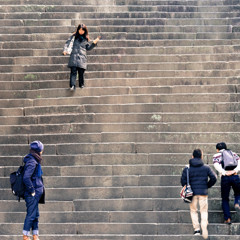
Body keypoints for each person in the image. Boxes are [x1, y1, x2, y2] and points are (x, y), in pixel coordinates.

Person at [181, 149, 217, 239]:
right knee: (203, 210)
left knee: (193, 211)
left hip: (191, 194)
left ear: (192, 156)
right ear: (201, 156)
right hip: (203, 192)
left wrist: (188, 187)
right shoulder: (206, 167)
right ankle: (204, 226)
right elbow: (214, 178)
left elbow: (183, 181)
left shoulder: (187, 168)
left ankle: (197, 230)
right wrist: (207, 185)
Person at [63, 23, 101, 90]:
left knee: (81, 72)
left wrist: (94, 43)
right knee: (73, 72)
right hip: (74, 57)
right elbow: (67, 43)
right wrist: (65, 50)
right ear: (78, 30)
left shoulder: (85, 39)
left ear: (85, 31)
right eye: (80, 30)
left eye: (83, 30)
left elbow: (88, 48)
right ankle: (72, 86)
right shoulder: (73, 37)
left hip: (82, 58)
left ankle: (81, 84)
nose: (81, 32)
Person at [213, 142, 240, 224]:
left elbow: (216, 165)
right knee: (238, 193)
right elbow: (239, 163)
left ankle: (227, 218)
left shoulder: (216, 155)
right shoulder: (233, 153)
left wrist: (224, 172)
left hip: (225, 178)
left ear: (217, 150)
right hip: (235, 176)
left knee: (225, 198)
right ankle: (237, 203)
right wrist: (235, 171)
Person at [23, 141, 45, 240]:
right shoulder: (32, 161)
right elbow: (26, 178)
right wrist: (32, 191)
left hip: (36, 193)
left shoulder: (34, 160)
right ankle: (25, 236)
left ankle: (35, 235)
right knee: (31, 215)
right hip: (32, 193)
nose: (42, 151)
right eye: (41, 150)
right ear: (38, 151)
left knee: (35, 215)